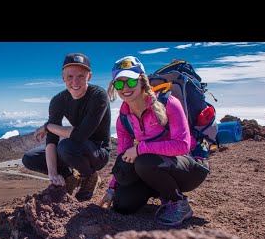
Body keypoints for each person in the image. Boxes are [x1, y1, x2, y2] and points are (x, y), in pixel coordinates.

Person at [98, 56, 210, 226]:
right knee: (123, 205)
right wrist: (112, 190)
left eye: (131, 81)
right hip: (154, 170)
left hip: (188, 169)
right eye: (119, 84)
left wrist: (140, 149)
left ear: (142, 81)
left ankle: (179, 203)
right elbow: (122, 158)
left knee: (143, 161)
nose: (125, 88)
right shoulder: (124, 119)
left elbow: (183, 145)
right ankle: (160, 191)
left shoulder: (169, 103)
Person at [22, 52, 111, 201]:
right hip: (75, 146)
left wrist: (48, 126)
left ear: (89, 76)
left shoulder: (98, 96)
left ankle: (89, 176)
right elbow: (52, 140)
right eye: (70, 77)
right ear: (63, 78)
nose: (75, 82)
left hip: (98, 151)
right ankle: (69, 177)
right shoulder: (58, 100)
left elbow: (80, 134)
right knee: (30, 158)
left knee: (67, 146)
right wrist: (53, 173)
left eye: (81, 76)